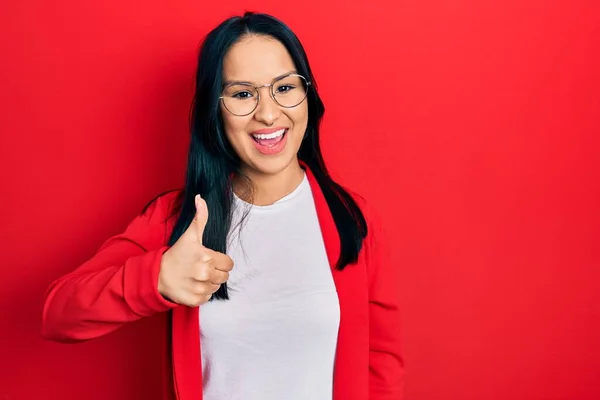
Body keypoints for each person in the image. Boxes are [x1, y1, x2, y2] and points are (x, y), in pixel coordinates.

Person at [41, 11, 404, 400]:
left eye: (284, 88)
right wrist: (157, 277)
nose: (267, 113)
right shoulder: (176, 219)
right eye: (243, 94)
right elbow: (57, 314)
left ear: (308, 96)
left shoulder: (350, 218)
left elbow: (381, 365)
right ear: (215, 110)